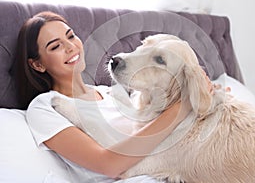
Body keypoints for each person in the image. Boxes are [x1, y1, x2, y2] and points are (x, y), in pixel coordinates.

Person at [14, 11, 214, 183]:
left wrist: (203, 93)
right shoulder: (45, 106)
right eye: (55, 46)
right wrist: (183, 107)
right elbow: (108, 164)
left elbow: (159, 133)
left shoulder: (113, 93)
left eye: (71, 36)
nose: (70, 47)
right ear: (37, 64)